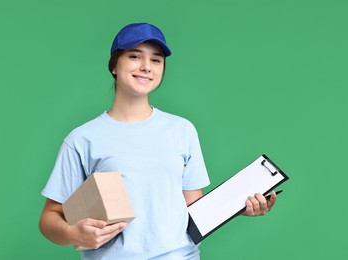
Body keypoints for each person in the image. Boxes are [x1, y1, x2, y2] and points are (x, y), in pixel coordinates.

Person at [39, 22, 277, 260]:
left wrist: (240, 207)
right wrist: (74, 233)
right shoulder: (82, 139)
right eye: (134, 56)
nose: (146, 67)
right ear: (114, 65)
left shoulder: (182, 130)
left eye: (156, 60)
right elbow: (49, 218)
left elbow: (195, 209)